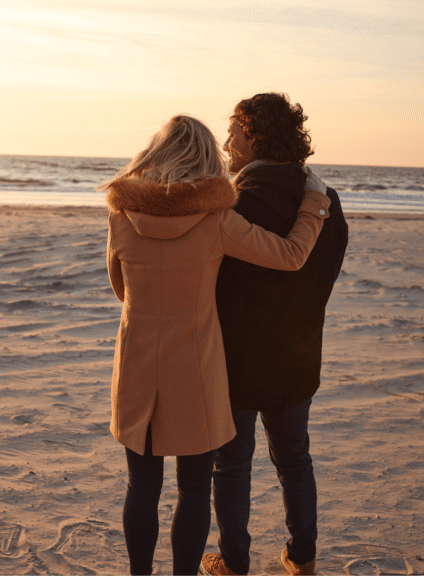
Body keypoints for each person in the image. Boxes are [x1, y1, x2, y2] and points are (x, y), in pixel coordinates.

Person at [100, 114, 332, 575]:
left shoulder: (121, 216)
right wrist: (315, 204)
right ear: (205, 159)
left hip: (138, 369)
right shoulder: (217, 220)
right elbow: (290, 256)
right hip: (196, 371)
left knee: (141, 487)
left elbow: (120, 286)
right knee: (192, 488)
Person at [201, 94, 349, 576]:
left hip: (238, 357)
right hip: (298, 354)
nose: (227, 143)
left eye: (235, 134)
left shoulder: (239, 200)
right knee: (293, 458)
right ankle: (302, 557)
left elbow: (213, 279)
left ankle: (234, 563)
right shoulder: (326, 201)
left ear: (256, 136)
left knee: (232, 465)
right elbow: (324, 275)